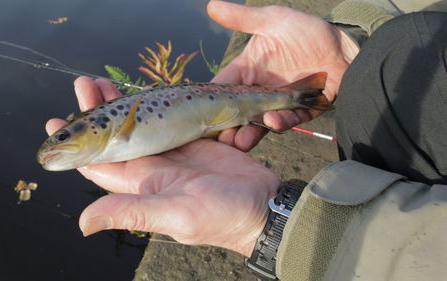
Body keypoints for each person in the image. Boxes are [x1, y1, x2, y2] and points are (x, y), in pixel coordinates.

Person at [45, 0, 447, 280]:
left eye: (63, 136)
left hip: (225, 105)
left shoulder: (116, 128)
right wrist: (349, 39)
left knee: (404, 60)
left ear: (92, 124)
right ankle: (337, 81)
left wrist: (266, 224)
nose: (56, 144)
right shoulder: (112, 138)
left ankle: (310, 93)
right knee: (404, 55)